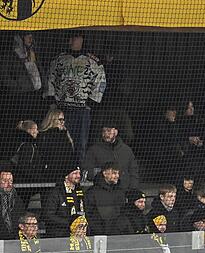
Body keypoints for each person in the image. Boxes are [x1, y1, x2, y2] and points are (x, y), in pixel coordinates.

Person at [44, 33, 107, 161]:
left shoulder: (92, 61)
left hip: (82, 109)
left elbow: (101, 81)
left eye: (74, 38)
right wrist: (51, 100)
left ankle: (78, 168)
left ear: (82, 39)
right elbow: (50, 79)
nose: (71, 41)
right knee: (59, 140)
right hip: (61, 108)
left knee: (80, 142)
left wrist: (91, 102)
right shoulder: (59, 60)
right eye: (70, 38)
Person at [82, 120, 139, 190]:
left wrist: (133, 189)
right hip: (101, 190)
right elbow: (87, 171)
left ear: (116, 132)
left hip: (123, 190)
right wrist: (104, 175)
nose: (106, 134)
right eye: (104, 131)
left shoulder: (127, 151)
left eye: (109, 131)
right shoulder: (93, 150)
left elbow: (133, 172)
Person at [84, 161, 125, 235]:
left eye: (118, 173)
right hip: (98, 234)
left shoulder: (120, 191)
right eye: (114, 173)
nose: (117, 176)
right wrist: (99, 232)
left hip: (118, 234)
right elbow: (89, 215)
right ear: (105, 173)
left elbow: (123, 212)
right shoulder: (91, 192)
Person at [38, 108, 78, 183]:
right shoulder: (45, 136)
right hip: (51, 174)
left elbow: (70, 155)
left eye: (63, 119)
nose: (63, 122)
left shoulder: (65, 134)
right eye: (60, 119)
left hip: (65, 173)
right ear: (52, 120)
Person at [10, 120, 44, 185]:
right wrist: (39, 179)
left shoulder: (23, 143)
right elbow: (24, 167)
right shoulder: (27, 146)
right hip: (27, 183)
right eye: (36, 129)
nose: (37, 132)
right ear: (29, 130)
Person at [0, 168, 25, 240]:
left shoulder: (17, 200)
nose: (9, 184)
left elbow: (20, 218)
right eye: (5, 181)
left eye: (10, 181)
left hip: (13, 238)